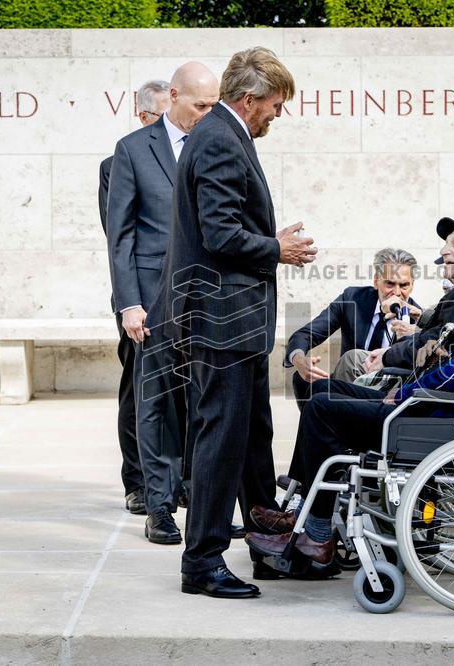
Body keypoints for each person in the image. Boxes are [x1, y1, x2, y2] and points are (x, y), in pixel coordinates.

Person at [246, 232, 454, 568]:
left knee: (322, 409)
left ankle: (317, 536)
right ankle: (305, 512)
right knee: (323, 391)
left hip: (434, 419)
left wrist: (405, 393)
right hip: (439, 409)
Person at [154, 46, 315, 598]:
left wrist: (271, 242)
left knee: (251, 437)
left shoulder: (222, 134)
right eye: (274, 104)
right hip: (221, 321)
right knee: (221, 438)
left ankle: (268, 546)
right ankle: (201, 562)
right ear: (249, 100)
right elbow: (220, 233)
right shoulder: (221, 139)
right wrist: (277, 248)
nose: (277, 114)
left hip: (234, 321)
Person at [107, 64, 222, 545]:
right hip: (152, 304)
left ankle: (199, 502)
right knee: (154, 407)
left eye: (214, 106)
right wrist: (129, 303)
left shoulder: (215, 144)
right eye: (200, 105)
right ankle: (159, 509)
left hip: (208, 302)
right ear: (174, 96)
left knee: (202, 403)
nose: (206, 114)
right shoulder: (132, 151)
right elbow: (121, 236)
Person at [98, 79, 170, 516]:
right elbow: (119, 236)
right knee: (140, 390)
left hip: (182, 297)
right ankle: (138, 480)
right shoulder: (118, 162)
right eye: (160, 117)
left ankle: (173, 478)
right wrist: (131, 302)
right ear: (143, 117)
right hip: (140, 298)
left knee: (179, 394)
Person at [285, 246, 422, 402]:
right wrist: (299, 359)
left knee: (351, 359)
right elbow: (306, 334)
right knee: (303, 378)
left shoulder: (417, 318)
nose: (397, 293)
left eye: (404, 285)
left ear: (412, 285)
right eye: (390, 284)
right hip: (349, 377)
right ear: (376, 281)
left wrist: (413, 332)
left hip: (386, 389)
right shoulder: (353, 299)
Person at [366, 214, 454, 374]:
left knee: (349, 363)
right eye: (446, 244)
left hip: (426, 388)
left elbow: (438, 342)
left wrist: (387, 355)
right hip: (426, 382)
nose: (443, 251)